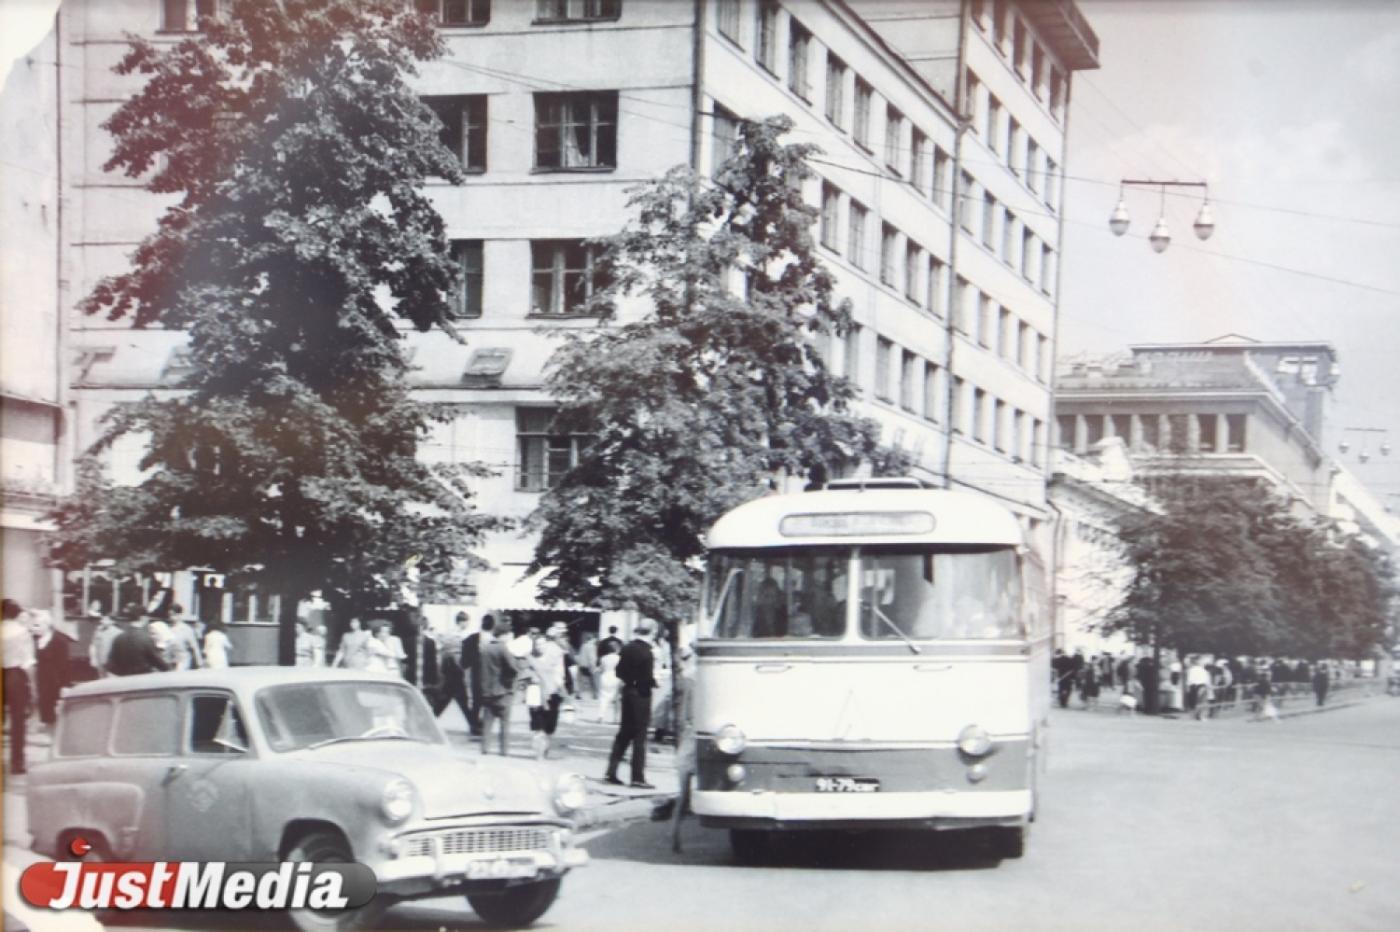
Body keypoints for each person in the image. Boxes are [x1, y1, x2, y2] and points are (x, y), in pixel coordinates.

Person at [605, 618, 659, 789]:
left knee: (624, 733)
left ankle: (611, 772)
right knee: (639, 737)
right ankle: (637, 777)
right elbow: (646, 678)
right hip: (641, 696)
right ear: (653, 631)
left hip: (627, 692)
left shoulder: (627, 648)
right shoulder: (647, 652)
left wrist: (630, 680)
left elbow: (618, 671)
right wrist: (653, 683)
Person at [3, 599, 36, 775]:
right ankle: (17, 762)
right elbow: (27, 661)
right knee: (17, 721)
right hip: (15, 675)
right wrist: (32, 686)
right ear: (16, 614)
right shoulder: (22, 632)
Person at [526, 623, 567, 759]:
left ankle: (542, 751)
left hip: (545, 692)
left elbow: (559, 675)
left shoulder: (553, 653)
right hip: (543, 692)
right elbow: (559, 675)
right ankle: (541, 752)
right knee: (543, 724)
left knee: (544, 724)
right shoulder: (557, 652)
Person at [29, 610, 74, 733]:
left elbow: (66, 665)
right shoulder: (34, 639)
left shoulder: (60, 641)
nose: (33, 628)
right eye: (33, 625)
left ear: (47, 625)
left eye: (37, 625)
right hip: (41, 679)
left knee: (57, 711)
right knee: (45, 708)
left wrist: (65, 685)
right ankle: (48, 729)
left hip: (56, 680)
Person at [479, 621, 518, 755]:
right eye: (508, 635)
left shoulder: (485, 648)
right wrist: (510, 680)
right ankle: (504, 751)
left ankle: (485, 748)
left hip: (486, 691)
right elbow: (513, 668)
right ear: (503, 635)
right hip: (502, 691)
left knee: (487, 722)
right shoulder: (503, 648)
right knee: (505, 722)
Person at [435, 612, 473, 725]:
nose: (467, 624)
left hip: (447, 670)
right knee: (459, 699)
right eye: (466, 622)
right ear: (461, 622)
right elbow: (457, 655)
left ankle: (473, 723)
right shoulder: (460, 636)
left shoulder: (447, 634)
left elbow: (442, 650)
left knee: (448, 699)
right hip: (455, 670)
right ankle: (474, 724)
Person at [108, 614, 172, 676]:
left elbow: (111, 666)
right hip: (142, 681)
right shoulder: (146, 639)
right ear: (143, 618)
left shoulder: (118, 638)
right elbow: (160, 664)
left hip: (123, 682)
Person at [460, 614, 493, 736]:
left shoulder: (471, 639)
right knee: (489, 703)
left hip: (477, 676)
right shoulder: (496, 640)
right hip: (491, 677)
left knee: (476, 703)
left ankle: (474, 727)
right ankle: (485, 728)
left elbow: (464, 663)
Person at [165, 604, 204, 670]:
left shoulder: (186, 629)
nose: (171, 617)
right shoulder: (168, 629)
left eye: (173, 615)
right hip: (170, 661)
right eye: (169, 615)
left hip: (183, 661)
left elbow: (194, 647)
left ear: (179, 615)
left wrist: (200, 664)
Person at [89, 610, 122, 677]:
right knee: (101, 679)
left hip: (112, 663)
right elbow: (93, 646)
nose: (102, 621)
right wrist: (93, 659)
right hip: (100, 661)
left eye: (105, 619)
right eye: (102, 619)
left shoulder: (119, 633)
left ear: (112, 621)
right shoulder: (99, 631)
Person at [575, 632, 599, 700]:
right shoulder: (592, 646)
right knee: (593, 681)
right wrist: (593, 667)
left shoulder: (583, 645)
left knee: (580, 681)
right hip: (589, 666)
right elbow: (592, 657)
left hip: (581, 665)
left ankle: (578, 694)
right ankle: (595, 694)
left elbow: (580, 655)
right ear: (592, 639)